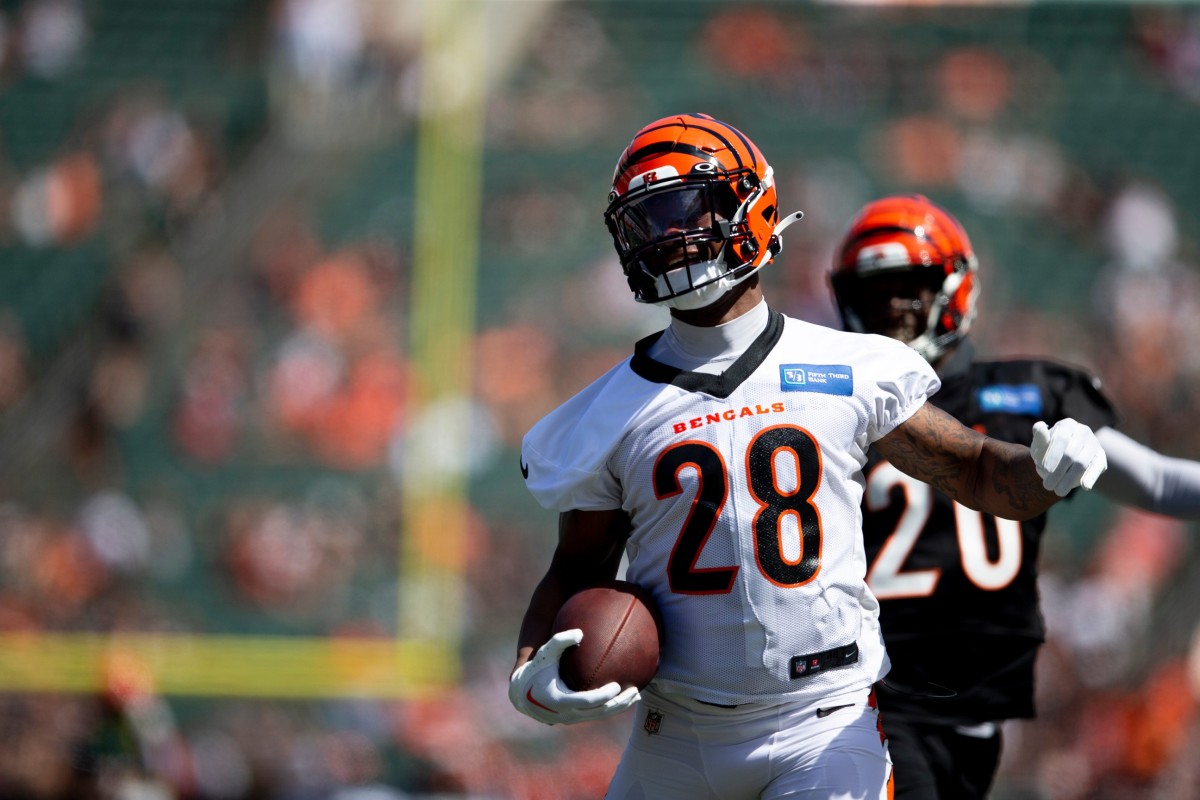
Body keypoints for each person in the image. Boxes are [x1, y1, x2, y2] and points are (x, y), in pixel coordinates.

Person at [508, 114, 1108, 800]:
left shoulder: (848, 367)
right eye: (651, 223)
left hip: (825, 725)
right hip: (675, 733)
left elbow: (974, 469)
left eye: (686, 211)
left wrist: (1044, 472)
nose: (672, 239)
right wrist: (530, 670)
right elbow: (578, 566)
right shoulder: (605, 412)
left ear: (753, 207)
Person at [828, 192, 1200, 799]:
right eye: (876, 296)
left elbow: (1156, 480)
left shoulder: (1027, 393)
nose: (893, 312)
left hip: (975, 706)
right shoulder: (832, 404)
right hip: (868, 694)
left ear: (957, 291)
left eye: (909, 290)